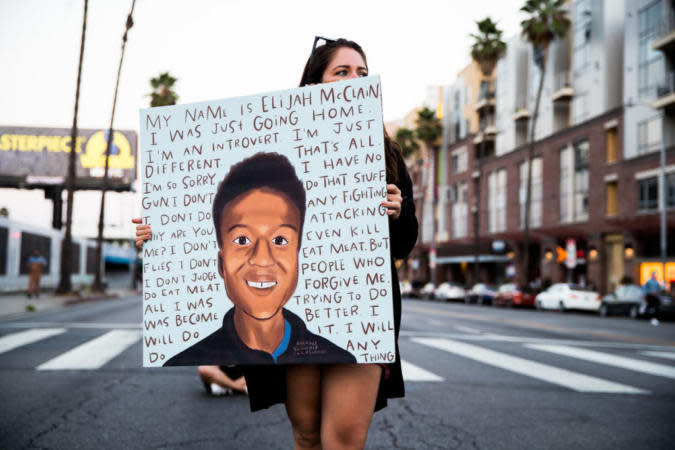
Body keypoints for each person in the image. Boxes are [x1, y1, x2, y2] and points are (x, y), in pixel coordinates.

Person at [135, 37, 418, 449]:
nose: (355, 79)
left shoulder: (384, 152)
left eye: (361, 72)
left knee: (342, 439)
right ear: (313, 85)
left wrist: (399, 212)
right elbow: (218, 212)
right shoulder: (277, 141)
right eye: (341, 71)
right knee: (305, 434)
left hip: (359, 315)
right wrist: (161, 234)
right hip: (295, 314)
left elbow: (404, 245)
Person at [160, 152, 355, 366]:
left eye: (280, 240)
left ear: (299, 257)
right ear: (220, 264)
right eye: (242, 239)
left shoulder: (338, 359)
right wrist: (155, 238)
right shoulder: (189, 359)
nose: (262, 259)